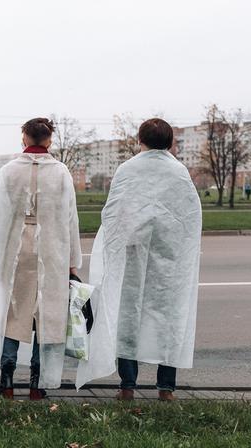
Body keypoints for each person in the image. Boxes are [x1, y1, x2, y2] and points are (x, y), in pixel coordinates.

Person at [76, 118, 202, 401]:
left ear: (140, 139)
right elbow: (190, 217)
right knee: (168, 317)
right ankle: (166, 388)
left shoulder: (128, 169)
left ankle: (128, 385)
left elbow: (114, 213)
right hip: (170, 259)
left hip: (132, 254)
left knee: (128, 316)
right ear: (170, 142)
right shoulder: (179, 172)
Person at [0, 118, 82, 400]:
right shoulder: (60, 172)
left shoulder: (9, 171)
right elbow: (71, 217)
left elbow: (0, 217)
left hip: (16, 249)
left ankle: (7, 378)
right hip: (52, 249)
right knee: (46, 315)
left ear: (24, 138)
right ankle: (38, 381)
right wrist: (73, 260)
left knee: (14, 310)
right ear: (49, 140)